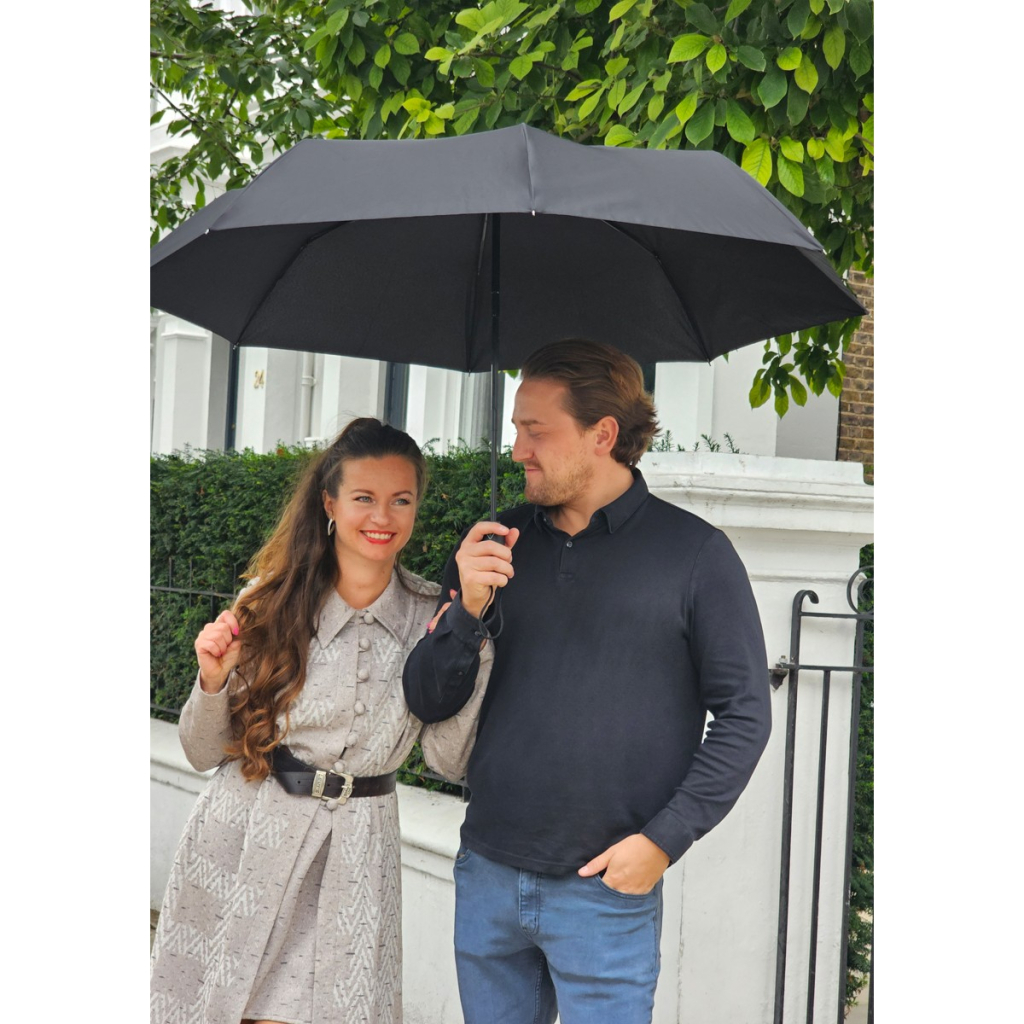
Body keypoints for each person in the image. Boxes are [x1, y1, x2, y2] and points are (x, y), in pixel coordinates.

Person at [403, 340, 772, 1024]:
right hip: (487, 873)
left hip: (605, 892)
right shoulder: (493, 546)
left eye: (536, 431)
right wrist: (467, 612)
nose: (518, 450)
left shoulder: (696, 556)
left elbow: (746, 715)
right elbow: (427, 699)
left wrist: (663, 841)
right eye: (516, 429)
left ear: (602, 434)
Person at [151, 417, 491, 1024]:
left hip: (358, 855)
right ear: (330, 504)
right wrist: (212, 680)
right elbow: (202, 752)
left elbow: (447, 759)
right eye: (363, 497)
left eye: (401, 499)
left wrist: (471, 639)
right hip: (248, 837)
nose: (382, 516)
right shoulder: (268, 601)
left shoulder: (437, 620)